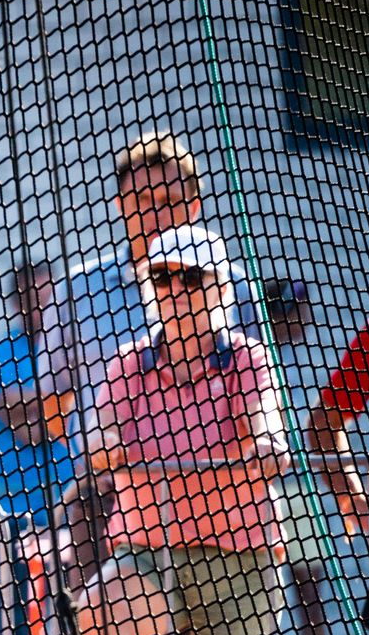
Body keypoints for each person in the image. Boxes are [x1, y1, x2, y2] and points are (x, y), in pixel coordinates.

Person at [78, 226, 288, 635]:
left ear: (219, 287)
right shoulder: (130, 365)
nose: (175, 288)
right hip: (149, 546)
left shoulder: (246, 358)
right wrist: (109, 447)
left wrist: (260, 444)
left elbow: (266, 436)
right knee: (97, 612)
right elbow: (100, 441)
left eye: (190, 277)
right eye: (162, 277)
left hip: (236, 552)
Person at [40, 131, 260, 469]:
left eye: (170, 201)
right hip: (105, 492)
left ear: (194, 206)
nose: (156, 214)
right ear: (120, 206)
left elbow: (259, 390)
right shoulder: (77, 289)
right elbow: (53, 399)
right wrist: (95, 451)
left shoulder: (234, 285)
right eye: (142, 200)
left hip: (221, 497)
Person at [257, 280, 348, 635]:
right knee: (261, 598)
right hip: (269, 488)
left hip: (304, 487)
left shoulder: (316, 358)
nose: (302, 318)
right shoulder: (259, 355)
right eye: (295, 311)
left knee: (309, 591)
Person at [0, 258, 74, 530]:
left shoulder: (75, 346)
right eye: (33, 299)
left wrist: (37, 405)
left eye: (49, 297)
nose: (43, 308)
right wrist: (65, 399)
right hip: (17, 510)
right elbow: (27, 430)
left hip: (75, 502)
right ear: (16, 304)